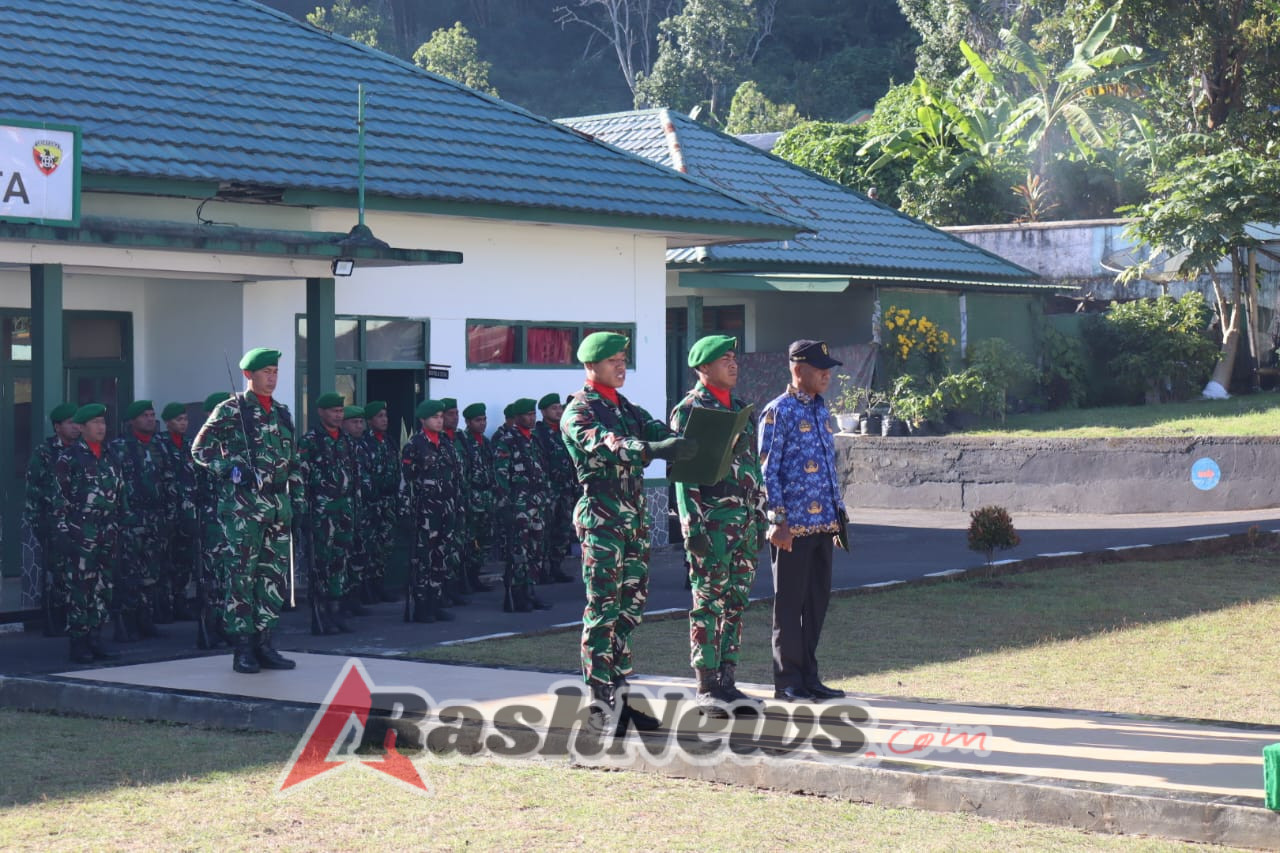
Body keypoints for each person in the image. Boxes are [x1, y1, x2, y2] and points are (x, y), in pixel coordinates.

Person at [561, 331, 697, 732]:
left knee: (629, 610)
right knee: (602, 610)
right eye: (613, 360)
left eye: (623, 359)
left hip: (633, 518)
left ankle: (620, 696)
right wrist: (654, 450)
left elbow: (656, 430)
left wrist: (686, 440)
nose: (621, 366)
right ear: (591, 366)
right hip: (602, 518)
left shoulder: (625, 407)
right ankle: (598, 702)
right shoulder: (579, 410)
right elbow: (606, 444)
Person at [670, 334, 767, 716]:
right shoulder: (691, 409)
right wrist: (691, 525)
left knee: (735, 602)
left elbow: (753, 468)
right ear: (703, 368)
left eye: (734, 357)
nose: (733, 363)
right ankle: (706, 684)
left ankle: (728, 681)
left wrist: (760, 514)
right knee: (708, 603)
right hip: (711, 524)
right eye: (724, 359)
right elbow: (684, 474)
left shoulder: (742, 407)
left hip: (743, 522)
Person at [191, 347, 303, 674]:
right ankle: (242, 648)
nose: (272, 377)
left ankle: (265, 643)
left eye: (275, 371)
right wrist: (230, 470)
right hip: (243, 508)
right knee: (241, 577)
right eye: (266, 372)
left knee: (271, 578)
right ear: (248, 376)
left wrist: (297, 502)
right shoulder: (231, 410)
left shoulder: (281, 413)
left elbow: (293, 461)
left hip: (276, 506)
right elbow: (200, 449)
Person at [759, 339, 847, 702]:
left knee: (816, 604)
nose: (827, 374)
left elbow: (829, 468)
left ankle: (810, 676)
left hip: (824, 526)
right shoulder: (778, 412)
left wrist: (839, 516)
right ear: (798, 369)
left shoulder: (820, 409)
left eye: (828, 367)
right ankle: (788, 681)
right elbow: (767, 471)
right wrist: (778, 520)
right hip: (791, 529)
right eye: (819, 368)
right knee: (789, 606)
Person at [50, 403, 124, 663]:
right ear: (81, 428)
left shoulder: (110, 455)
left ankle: (95, 637)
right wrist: (63, 534)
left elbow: (119, 494)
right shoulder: (68, 459)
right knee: (80, 589)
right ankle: (78, 641)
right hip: (81, 534)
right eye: (94, 423)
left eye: (103, 422)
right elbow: (59, 501)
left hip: (108, 532)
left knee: (104, 588)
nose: (101, 427)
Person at [109, 399, 176, 638]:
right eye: (145, 415)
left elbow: (169, 481)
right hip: (130, 517)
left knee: (152, 571)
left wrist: (169, 514)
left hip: (155, 516)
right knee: (129, 571)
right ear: (133, 421)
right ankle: (127, 621)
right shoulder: (119, 447)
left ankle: (145, 617)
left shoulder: (160, 446)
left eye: (151, 414)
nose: (150, 419)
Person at [297, 393, 360, 635]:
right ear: (321, 412)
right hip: (320, 513)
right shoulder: (310, 441)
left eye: (340, 411)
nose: (338, 415)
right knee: (319, 564)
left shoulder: (346, 440)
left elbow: (353, 476)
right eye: (333, 411)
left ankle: (335, 610)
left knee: (339, 562)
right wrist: (303, 513)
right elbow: (300, 479)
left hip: (344, 510)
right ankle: (319, 613)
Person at [24, 402, 80, 638]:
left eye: (77, 422)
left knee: (78, 573)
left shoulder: (82, 449)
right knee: (57, 574)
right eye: (70, 423)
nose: (75, 427)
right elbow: (33, 489)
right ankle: (55, 620)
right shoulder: (45, 452)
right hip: (54, 522)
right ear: (58, 427)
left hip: (80, 523)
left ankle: (76, 619)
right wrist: (40, 524)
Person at [493, 397, 552, 613]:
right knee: (519, 552)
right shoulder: (508, 440)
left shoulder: (534, 439)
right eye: (527, 414)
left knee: (536, 550)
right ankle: (516, 595)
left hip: (536, 504)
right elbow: (500, 476)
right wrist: (505, 505)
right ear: (517, 418)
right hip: (518, 507)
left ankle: (530, 591)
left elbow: (542, 470)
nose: (531, 417)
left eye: (533, 414)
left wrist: (546, 497)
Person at [402, 399, 456, 623]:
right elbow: (407, 482)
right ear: (423, 420)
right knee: (423, 560)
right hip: (424, 512)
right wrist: (407, 511)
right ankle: (422, 605)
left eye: (441, 416)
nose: (439, 420)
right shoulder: (415, 445)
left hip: (446, 509)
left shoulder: (446, 443)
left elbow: (455, 476)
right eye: (435, 417)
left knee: (440, 558)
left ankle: (436, 601)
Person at [194, 391, 231, 650]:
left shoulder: (233, 444)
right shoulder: (201, 447)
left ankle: (225, 626)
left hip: (232, 519)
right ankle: (208, 628)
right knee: (211, 579)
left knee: (229, 577)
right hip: (209, 519)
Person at [157, 401, 198, 622]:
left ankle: (180, 600)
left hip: (187, 512)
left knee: (184, 560)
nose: (183, 424)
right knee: (165, 560)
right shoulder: (159, 444)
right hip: (166, 513)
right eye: (178, 420)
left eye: (185, 420)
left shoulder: (191, 445)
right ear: (167, 422)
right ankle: (164, 605)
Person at [357, 400, 401, 602]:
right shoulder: (364, 443)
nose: (384, 420)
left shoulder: (389, 442)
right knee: (369, 545)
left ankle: (379, 584)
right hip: (371, 503)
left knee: (385, 546)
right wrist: (376, 490)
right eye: (379, 416)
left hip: (388, 502)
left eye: (385, 415)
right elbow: (364, 476)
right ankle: (365, 587)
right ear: (370, 421)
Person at [533, 392, 577, 584]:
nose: (558, 411)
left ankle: (556, 566)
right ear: (543, 412)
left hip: (566, 488)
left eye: (559, 408)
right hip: (549, 490)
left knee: (563, 529)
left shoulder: (565, 430)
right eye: (554, 408)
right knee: (545, 530)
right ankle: (542, 570)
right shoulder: (539, 434)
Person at [459, 402, 497, 595]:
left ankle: (475, 576)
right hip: (472, 499)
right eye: (477, 420)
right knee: (469, 540)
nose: (482, 424)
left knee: (484, 540)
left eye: (484, 420)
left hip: (487, 497)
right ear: (467, 422)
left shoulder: (486, 443)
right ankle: (466, 578)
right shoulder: (464, 442)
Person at [438, 397, 471, 604]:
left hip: (460, 498)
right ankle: (440, 590)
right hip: (441, 502)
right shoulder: (437, 440)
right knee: (441, 547)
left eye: (457, 413)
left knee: (457, 545)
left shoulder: (460, 438)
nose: (455, 417)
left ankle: (453, 585)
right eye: (451, 414)